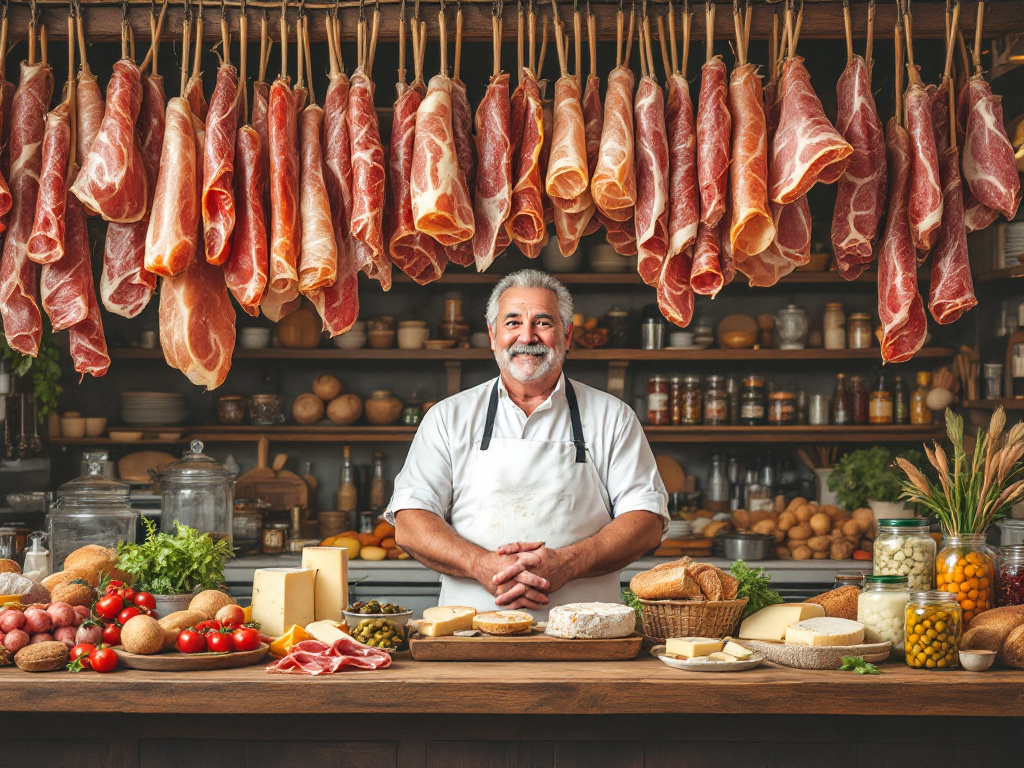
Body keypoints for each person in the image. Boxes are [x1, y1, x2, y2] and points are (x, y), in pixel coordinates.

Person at [386, 269, 668, 619]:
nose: (527, 336)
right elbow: (411, 521)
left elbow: (646, 520)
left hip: (591, 640)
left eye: (543, 322)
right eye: (513, 322)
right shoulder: (448, 418)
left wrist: (570, 563)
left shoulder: (613, 417)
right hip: (470, 636)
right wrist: (480, 565)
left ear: (567, 334)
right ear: (493, 335)